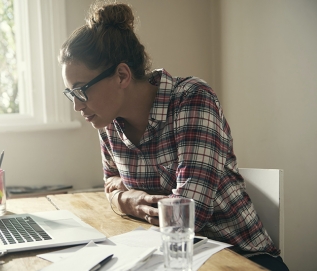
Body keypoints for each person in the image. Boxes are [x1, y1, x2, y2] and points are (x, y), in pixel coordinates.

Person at [58, 2, 289, 270]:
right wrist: (127, 200)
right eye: (70, 94)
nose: (77, 106)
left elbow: (189, 214)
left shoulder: (191, 99)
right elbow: (111, 183)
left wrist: (127, 198)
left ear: (122, 75)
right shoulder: (108, 122)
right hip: (166, 257)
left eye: (81, 90)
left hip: (242, 259)